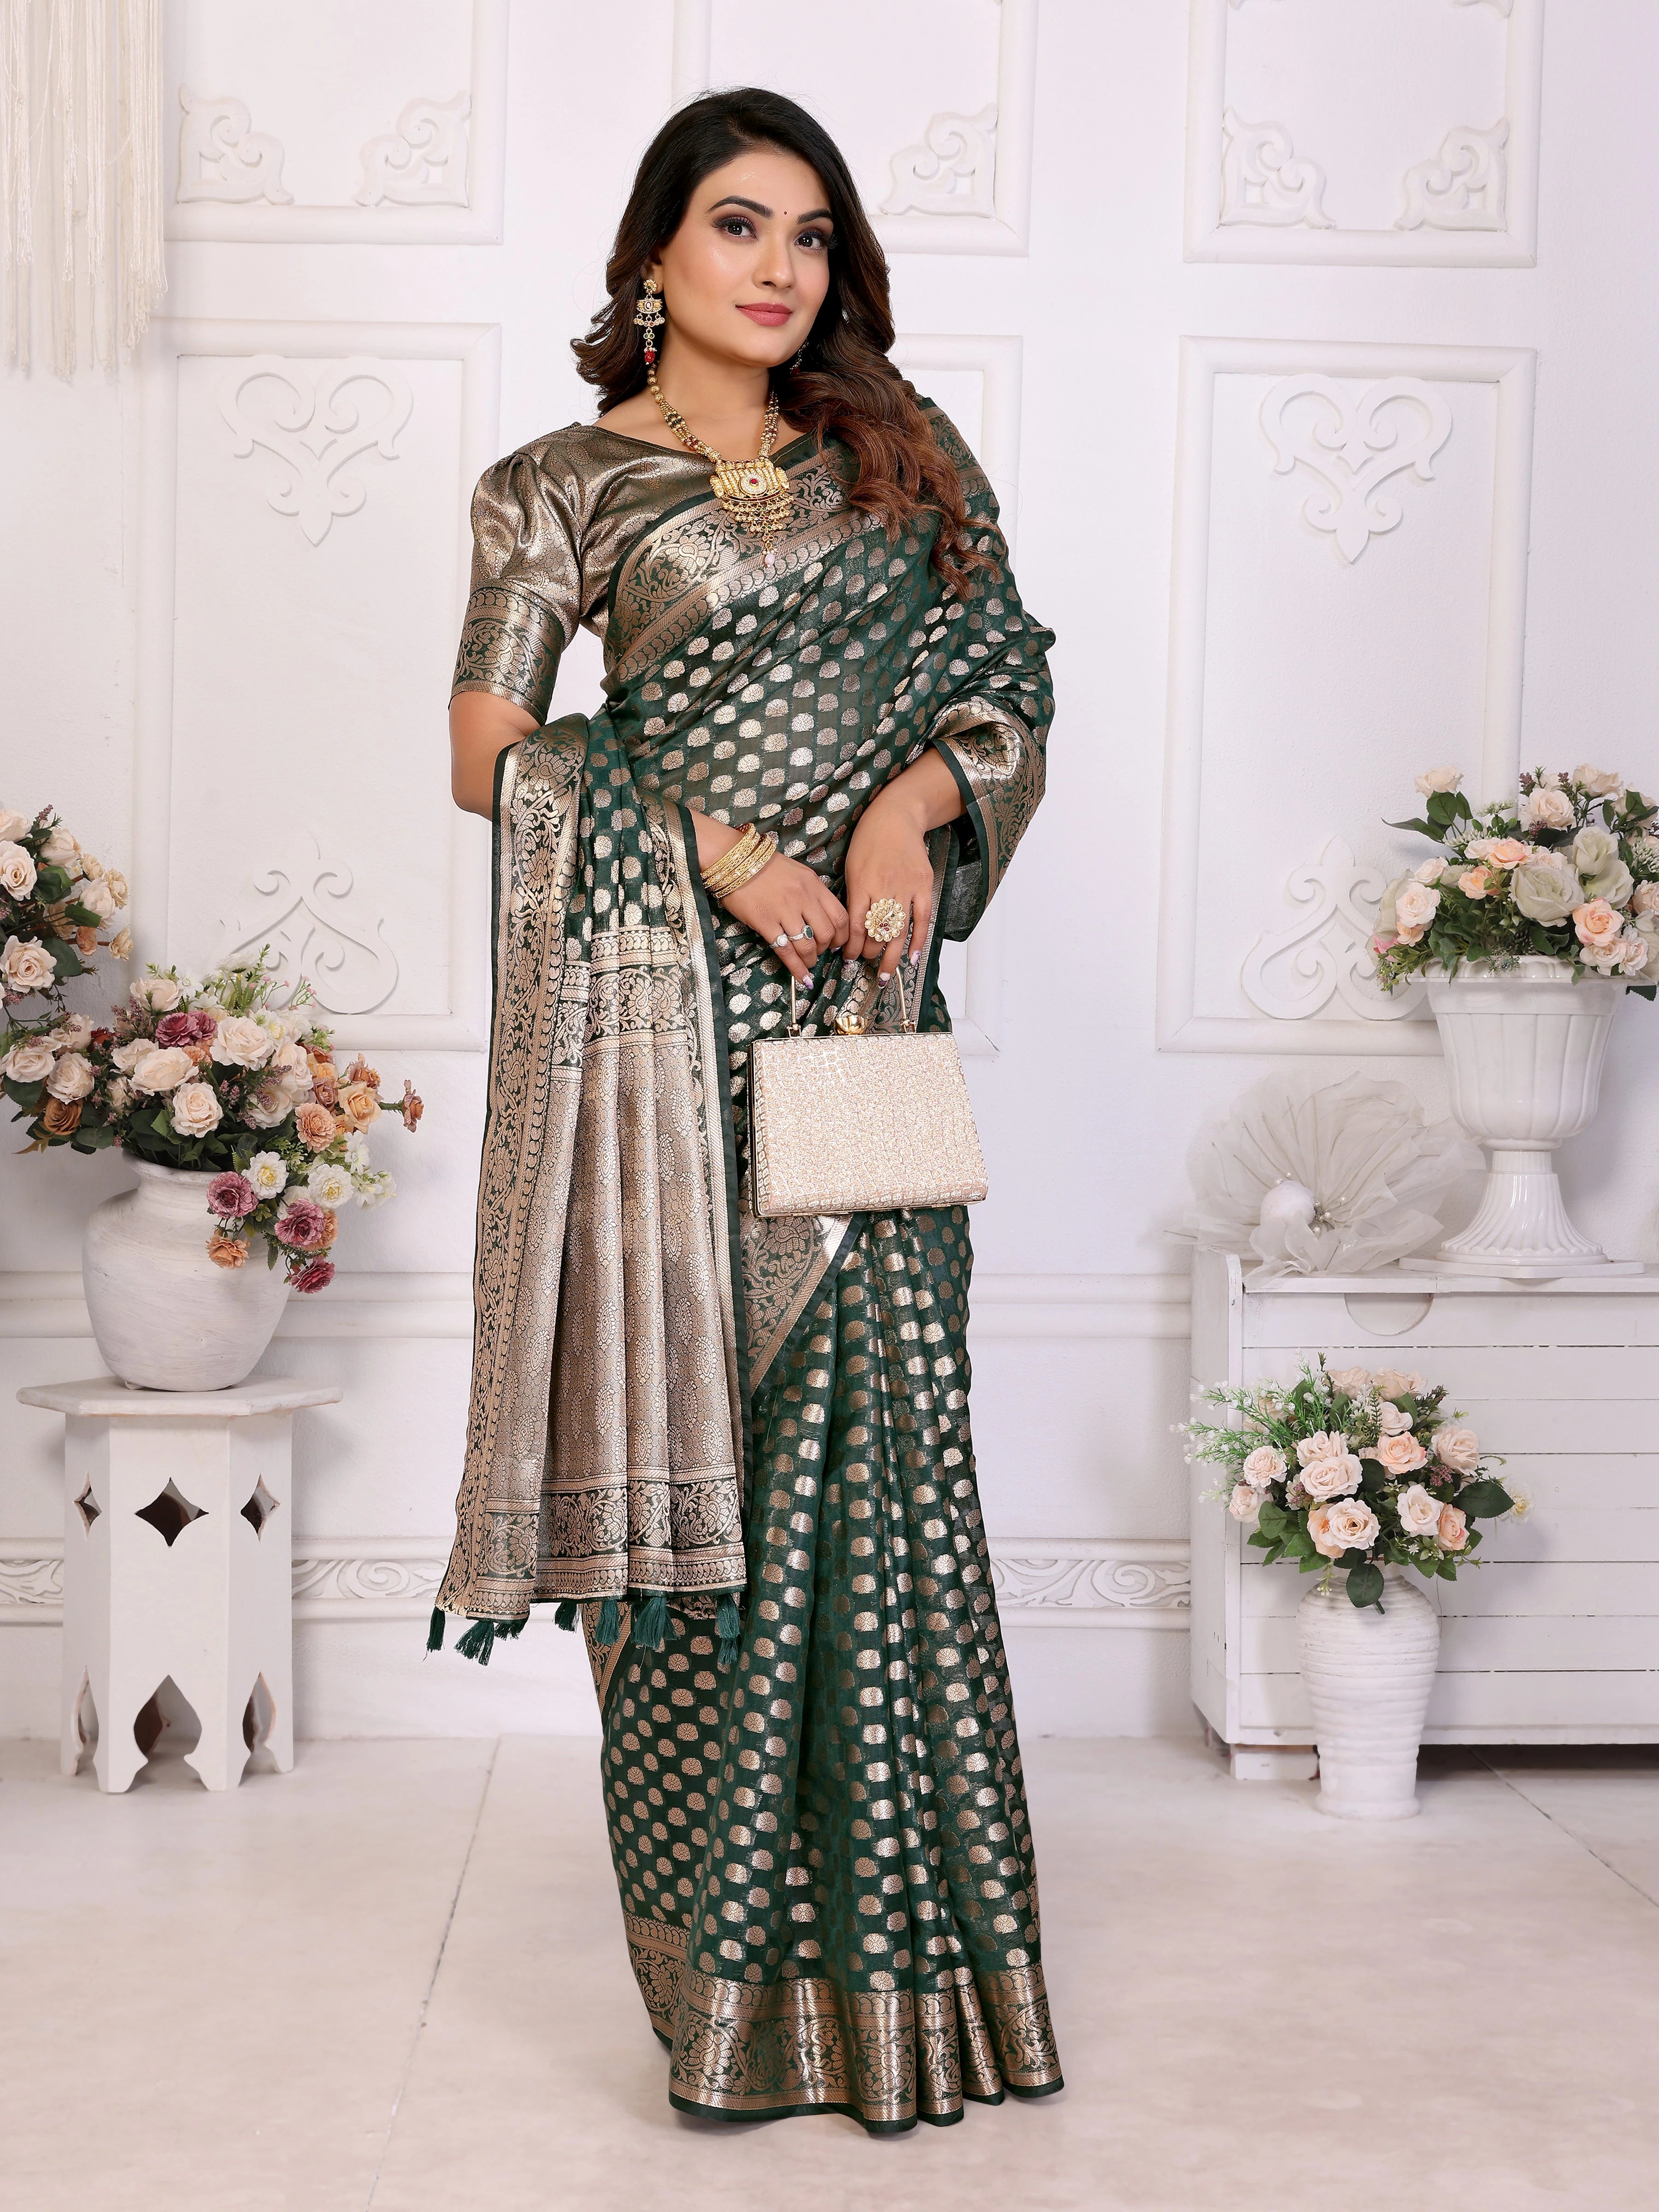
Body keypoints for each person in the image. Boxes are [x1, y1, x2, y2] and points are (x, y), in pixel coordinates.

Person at [435, 86, 1061, 2135]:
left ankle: (910, 1997)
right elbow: (490, 752)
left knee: (883, 1468)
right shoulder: (558, 486)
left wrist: (905, 809)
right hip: (653, 1048)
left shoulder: (901, 455)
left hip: (860, 1013)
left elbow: (1006, 678)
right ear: (656, 256)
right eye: (737, 225)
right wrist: (709, 846)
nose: (779, 266)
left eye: (809, 233)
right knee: (689, 1482)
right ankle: (732, 1998)